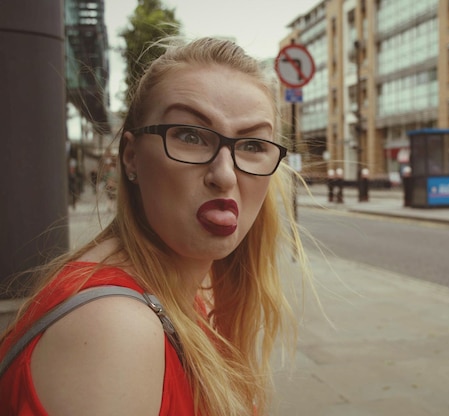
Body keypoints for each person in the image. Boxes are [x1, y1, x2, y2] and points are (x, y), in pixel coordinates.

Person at [0, 37, 310, 415]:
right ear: (131, 157)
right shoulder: (113, 331)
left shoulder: (180, 296)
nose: (224, 175)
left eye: (252, 145)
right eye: (190, 136)